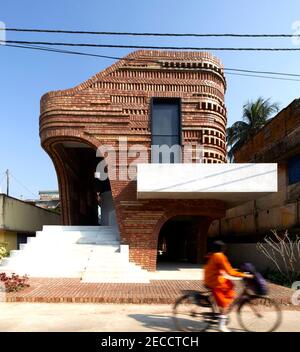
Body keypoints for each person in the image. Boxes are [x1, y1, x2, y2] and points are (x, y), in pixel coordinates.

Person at [204, 240, 253, 332]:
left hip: (210, 279)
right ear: (222, 249)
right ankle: (221, 325)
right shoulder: (219, 256)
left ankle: (221, 313)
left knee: (230, 285)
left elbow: (219, 269)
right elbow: (230, 271)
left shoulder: (212, 255)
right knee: (225, 303)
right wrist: (244, 275)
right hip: (215, 282)